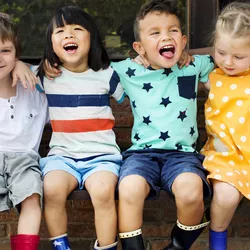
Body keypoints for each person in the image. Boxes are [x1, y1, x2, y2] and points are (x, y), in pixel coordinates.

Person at [43, 1, 213, 249]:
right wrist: (45, 64)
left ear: (183, 39)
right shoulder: (126, 70)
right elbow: (83, 69)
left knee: (191, 192)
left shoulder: (193, 65)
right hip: (141, 154)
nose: (165, 37)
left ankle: (178, 245)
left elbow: (226, 50)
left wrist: (191, 52)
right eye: (155, 33)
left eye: (173, 31)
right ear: (139, 47)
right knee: (129, 188)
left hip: (183, 155)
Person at [33, 6, 125, 250]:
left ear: (91, 38)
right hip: (63, 156)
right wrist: (26, 67)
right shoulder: (45, 77)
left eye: (77, 29)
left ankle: (107, 247)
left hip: (102, 157)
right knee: (51, 189)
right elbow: (13, 73)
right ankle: (61, 247)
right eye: (60, 31)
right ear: (51, 44)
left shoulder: (107, 75)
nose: (68, 35)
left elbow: (132, 92)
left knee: (104, 192)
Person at [200, 2, 250, 250]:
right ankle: (216, 244)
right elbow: (175, 57)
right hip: (224, 155)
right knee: (226, 196)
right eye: (221, 53)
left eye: (239, 57)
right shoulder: (211, 75)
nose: (228, 62)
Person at [0, 13, 48, 250]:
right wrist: (15, 61)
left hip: (24, 159)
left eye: (5, 51)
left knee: (31, 196)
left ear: (16, 53)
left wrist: (21, 65)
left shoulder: (35, 85)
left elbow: (64, 64)